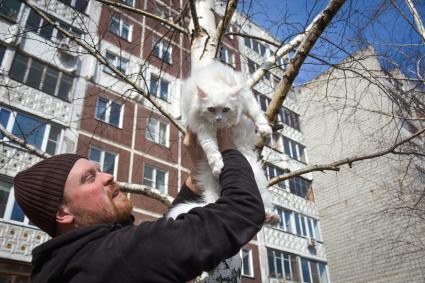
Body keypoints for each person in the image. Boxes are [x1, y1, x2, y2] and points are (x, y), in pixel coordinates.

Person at [13, 129, 265, 283]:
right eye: (89, 178)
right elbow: (243, 210)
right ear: (62, 213)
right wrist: (225, 146)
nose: (108, 176)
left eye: (100, 170)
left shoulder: (69, 266)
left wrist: (198, 173)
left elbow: (159, 239)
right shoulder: (116, 256)